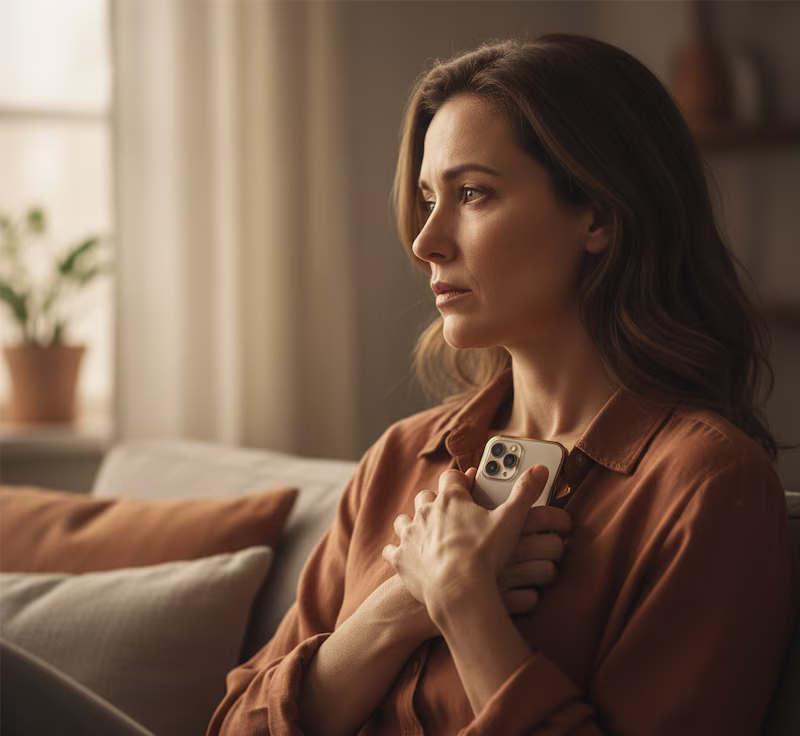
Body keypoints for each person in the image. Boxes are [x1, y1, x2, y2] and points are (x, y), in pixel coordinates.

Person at [208, 34, 797, 736]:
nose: (425, 241)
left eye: (472, 194)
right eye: (429, 198)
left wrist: (463, 600)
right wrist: (401, 604)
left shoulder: (706, 486)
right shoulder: (399, 459)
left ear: (600, 216)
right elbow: (235, 726)